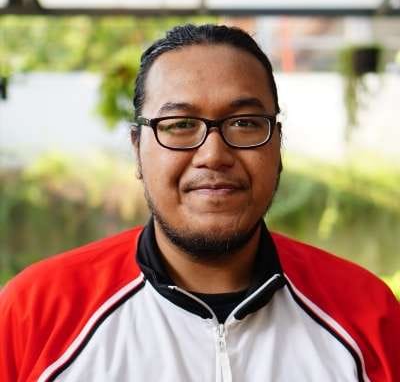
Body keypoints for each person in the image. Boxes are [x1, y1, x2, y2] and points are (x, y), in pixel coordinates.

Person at [0, 24, 399, 382]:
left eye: (244, 123)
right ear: (137, 149)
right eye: (180, 125)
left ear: (277, 146)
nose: (213, 154)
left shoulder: (368, 314)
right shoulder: (35, 313)